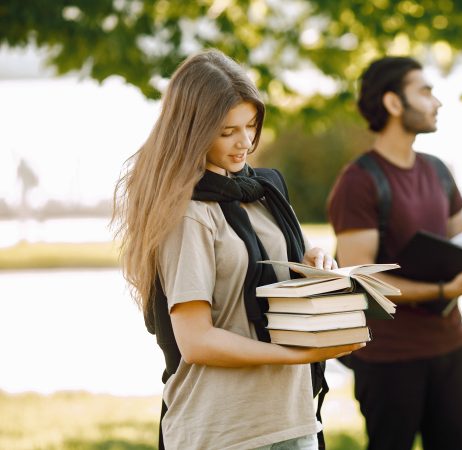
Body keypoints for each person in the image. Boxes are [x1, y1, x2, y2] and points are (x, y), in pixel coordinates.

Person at [112, 49, 363, 450]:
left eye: (251, 125)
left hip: (293, 418)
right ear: (193, 130)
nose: (245, 142)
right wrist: (297, 354)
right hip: (224, 430)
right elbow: (196, 341)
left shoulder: (264, 190)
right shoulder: (189, 213)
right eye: (228, 131)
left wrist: (313, 260)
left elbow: (276, 257)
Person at [326, 56, 462, 450]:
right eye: (424, 91)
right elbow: (361, 281)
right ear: (393, 103)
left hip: (450, 348)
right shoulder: (359, 182)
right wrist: (443, 290)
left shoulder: (438, 170)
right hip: (390, 361)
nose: (436, 102)